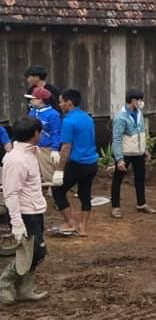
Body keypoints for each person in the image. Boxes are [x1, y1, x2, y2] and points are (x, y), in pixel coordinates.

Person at [0, 116, 49, 305]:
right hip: (26, 213)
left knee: (35, 253)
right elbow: (11, 194)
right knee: (32, 253)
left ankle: (24, 289)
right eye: (40, 131)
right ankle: (4, 284)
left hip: (35, 210)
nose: (42, 134)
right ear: (35, 134)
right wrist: (17, 223)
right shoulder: (17, 160)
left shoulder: (29, 153)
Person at [51, 89, 99, 236]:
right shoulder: (88, 118)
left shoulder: (68, 121)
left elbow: (66, 148)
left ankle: (70, 223)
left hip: (77, 164)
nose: (59, 104)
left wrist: (59, 170)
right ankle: (83, 228)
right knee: (85, 193)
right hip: (92, 163)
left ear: (69, 103)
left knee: (57, 190)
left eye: (61, 101)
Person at [110, 88, 154, 218]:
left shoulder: (139, 113)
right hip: (125, 154)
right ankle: (115, 207)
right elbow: (117, 139)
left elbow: (141, 133)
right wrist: (119, 159)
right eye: (139, 99)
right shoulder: (120, 117)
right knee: (118, 180)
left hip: (138, 153)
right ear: (133, 100)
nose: (141, 102)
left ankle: (141, 203)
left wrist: (144, 149)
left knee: (140, 178)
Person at [25, 86, 61, 185]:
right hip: (32, 146)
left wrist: (54, 149)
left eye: (32, 98)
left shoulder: (53, 114)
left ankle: (54, 191)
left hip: (46, 147)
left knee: (48, 172)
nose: (30, 101)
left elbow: (56, 132)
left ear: (40, 100)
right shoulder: (32, 112)